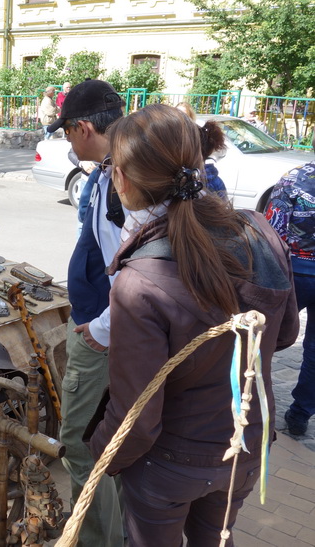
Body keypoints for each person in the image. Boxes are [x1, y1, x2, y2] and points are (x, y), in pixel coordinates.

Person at [88, 103, 298, 546]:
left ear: (122, 180)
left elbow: (137, 417)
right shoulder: (259, 230)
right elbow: (284, 335)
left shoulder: (138, 281)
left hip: (168, 464)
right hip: (244, 446)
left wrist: (100, 456)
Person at [45, 79, 127, 547]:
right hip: (104, 329)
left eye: (66, 133)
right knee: (108, 442)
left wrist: (99, 331)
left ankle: (96, 539)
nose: (67, 142)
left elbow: (131, 276)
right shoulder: (111, 171)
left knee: (81, 447)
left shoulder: (119, 180)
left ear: (81, 128)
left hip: (103, 335)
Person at [264, 132, 315, 436]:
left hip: (293, 269)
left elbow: (273, 230)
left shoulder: (294, 178)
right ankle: (300, 415)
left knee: (266, 336)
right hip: (295, 268)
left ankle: (252, 399)